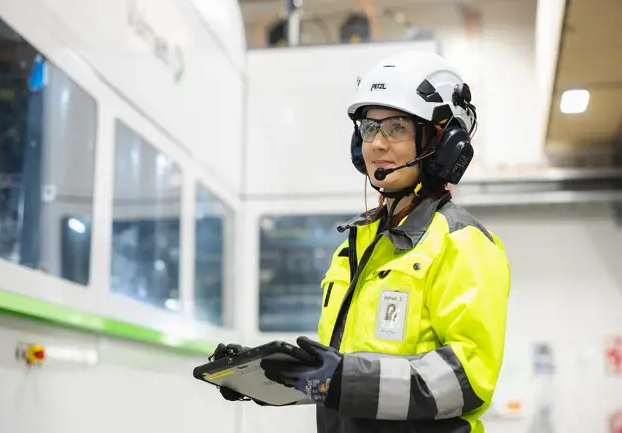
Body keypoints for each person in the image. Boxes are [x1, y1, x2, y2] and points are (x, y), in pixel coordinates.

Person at [210, 50, 511, 433]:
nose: (376, 144)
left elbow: (467, 380)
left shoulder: (462, 243)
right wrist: (271, 376)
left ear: (441, 141)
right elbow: (346, 375)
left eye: (397, 128)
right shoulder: (356, 245)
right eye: (369, 128)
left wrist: (344, 380)